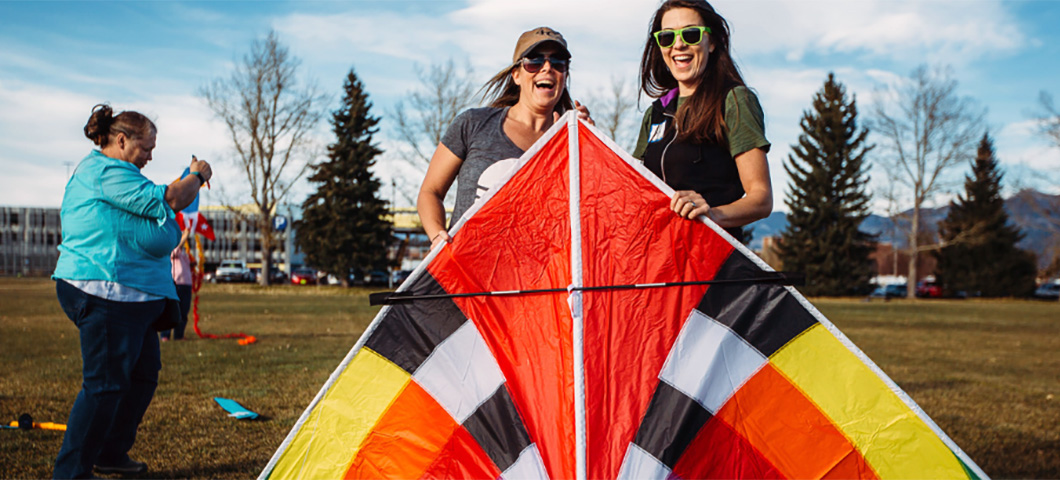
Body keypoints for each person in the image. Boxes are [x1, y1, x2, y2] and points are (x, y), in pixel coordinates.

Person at [52, 104, 212, 479]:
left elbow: (158, 217)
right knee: (105, 385)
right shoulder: (106, 171)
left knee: (143, 375)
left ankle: (110, 452)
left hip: (133, 295)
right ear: (121, 140)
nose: (151, 155)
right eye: (146, 147)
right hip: (104, 289)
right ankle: (70, 473)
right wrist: (196, 175)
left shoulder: (122, 177)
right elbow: (171, 200)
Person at [418, 27, 592, 249]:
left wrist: (586, 149)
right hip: (460, 275)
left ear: (564, 76)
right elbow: (430, 192)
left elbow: (582, 219)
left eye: (558, 62)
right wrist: (436, 236)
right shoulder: (473, 123)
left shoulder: (572, 140)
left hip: (529, 280)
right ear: (516, 75)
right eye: (534, 61)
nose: (547, 67)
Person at [633, 0, 772, 241]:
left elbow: (761, 198)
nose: (678, 45)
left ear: (712, 42)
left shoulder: (735, 101)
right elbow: (632, 191)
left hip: (714, 263)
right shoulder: (654, 114)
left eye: (691, 34)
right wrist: (590, 142)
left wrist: (712, 215)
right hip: (661, 262)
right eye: (667, 37)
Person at [161, 227, 195, 341]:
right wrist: (185, 235)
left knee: (183, 311)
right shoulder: (172, 250)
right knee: (170, 310)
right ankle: (165, 335)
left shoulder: (185, 255)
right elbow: (177, 249)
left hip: (186, 284)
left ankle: (179, 335)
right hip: (176, 283)